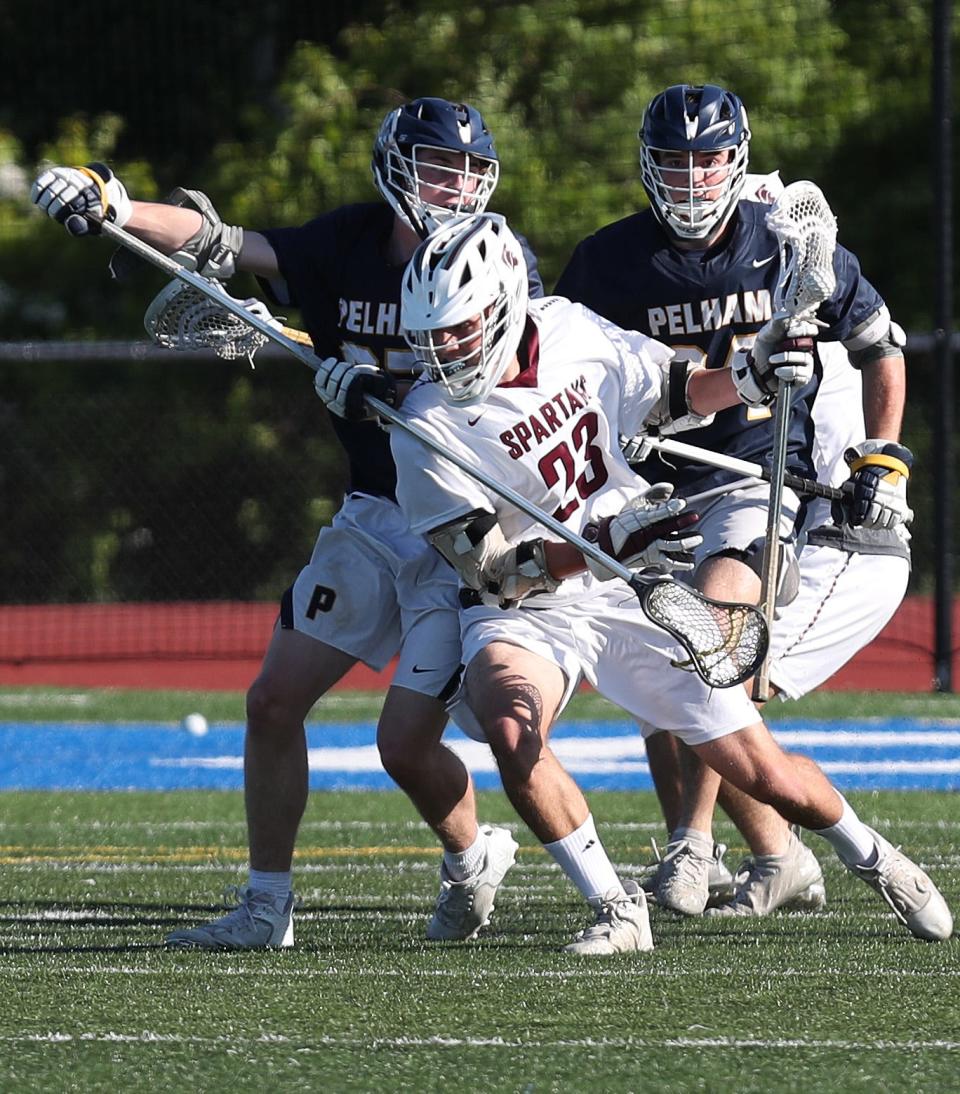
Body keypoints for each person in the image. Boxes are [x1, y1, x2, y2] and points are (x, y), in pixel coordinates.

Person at [315, 211, 952, 947]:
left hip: (631, 582)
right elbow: (491, 577)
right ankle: (618, 910)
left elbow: (675, 391)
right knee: (509, 724)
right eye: (431, 336)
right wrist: (594, 544)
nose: (443, 352)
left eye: (459, 331)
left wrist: (750, 369)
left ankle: (877, 857)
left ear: (505, 305)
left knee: (762, 770)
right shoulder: (423, 428)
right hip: (535, 602)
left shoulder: (567, 332)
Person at [31, 97, 544, 949]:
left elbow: (524, 388)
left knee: (406, 748)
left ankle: (472, 856)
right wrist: (113, 203)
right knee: (271, 702)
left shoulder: (497, 258)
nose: (453, 186)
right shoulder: (344, 243)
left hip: (461, 527)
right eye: (436, 165)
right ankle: (268, 904)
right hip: (376, 516)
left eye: (467, 171)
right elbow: (222, 242)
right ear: (393, 168)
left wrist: (398, 392)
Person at [554, 84, 913, 918]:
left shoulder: (786, 239)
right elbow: (565, 372)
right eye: (676, 161)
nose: (692, 177)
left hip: (756, 480)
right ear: (647, 164)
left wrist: (885, 456)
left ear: (738, 158)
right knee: (658, 665)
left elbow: (880, 346)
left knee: (711, 643)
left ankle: (690, 845)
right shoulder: (607, 261)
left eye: (709, 158)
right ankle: (774, 855)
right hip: (655, 484)